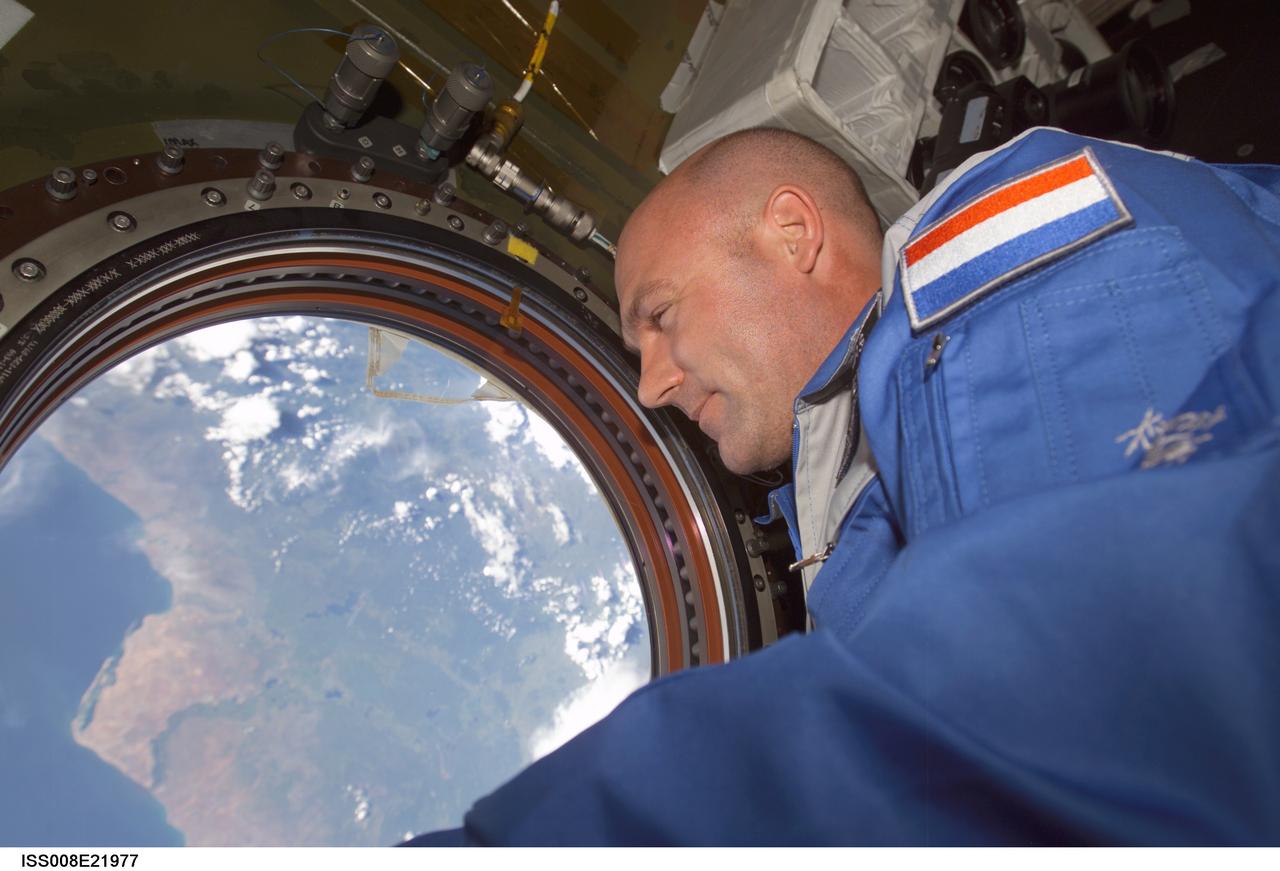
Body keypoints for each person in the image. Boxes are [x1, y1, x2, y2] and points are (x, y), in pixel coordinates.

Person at [407, 126, 1280, 845]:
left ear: (793, 233)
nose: (651, 385)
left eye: (661, 317)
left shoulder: (986, 260)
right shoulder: (861, 510)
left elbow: (1105, 663)